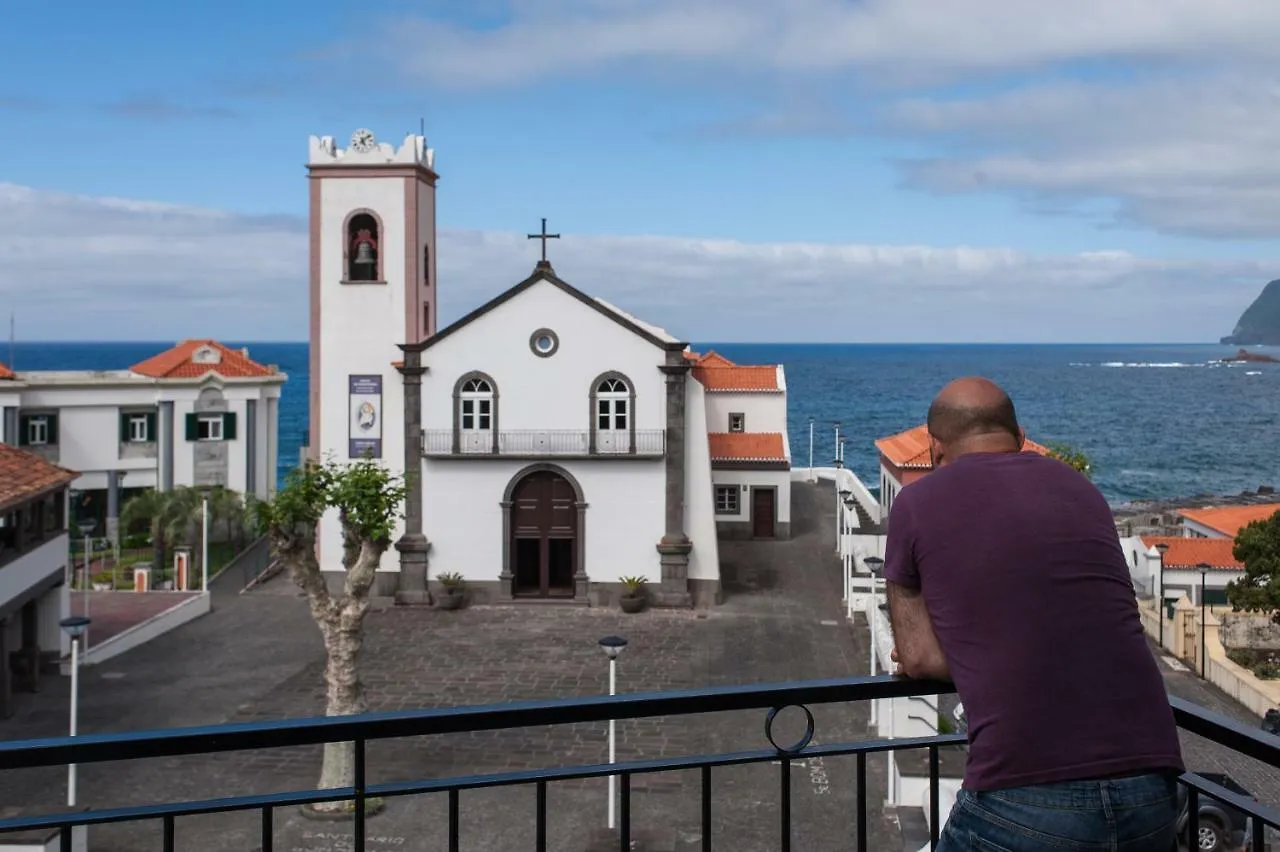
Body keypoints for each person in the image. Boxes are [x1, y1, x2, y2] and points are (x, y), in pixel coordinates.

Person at [884, 377, 1185, 851]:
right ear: (1020, 436)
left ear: (934, 449)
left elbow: (919, 658)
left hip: (1027, 790)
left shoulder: (916, 503)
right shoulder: (1080, 488)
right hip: (1152, 789)